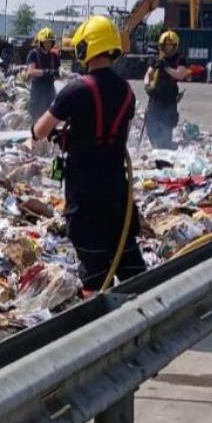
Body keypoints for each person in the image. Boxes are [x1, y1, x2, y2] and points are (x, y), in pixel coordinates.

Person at [32, 15, 145, 291]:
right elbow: (120, 136)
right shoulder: (127, 91)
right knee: (128, 260)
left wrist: (61, 135)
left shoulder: (77, 89)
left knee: (94, 272)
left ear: (86, 48)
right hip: (118, 190)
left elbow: (40, 130)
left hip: (85, 194)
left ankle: (99, 327)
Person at [142, 30, 190, 149]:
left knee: (166, 126)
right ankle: (155, 146)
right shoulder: (157, 59)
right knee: (151, 125)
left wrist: (166, 68)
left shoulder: (180, 59)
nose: (168, 49)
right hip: (155, 97)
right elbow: (148, 74)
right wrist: (147, 86)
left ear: (175, 46)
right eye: (165, 46)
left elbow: (180, 74)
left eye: (170, 46)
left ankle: (164, 147)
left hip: (169, 99)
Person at [25, 27, 60, 123]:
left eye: (50, 42)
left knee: (52, 119)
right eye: (46, 42)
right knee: (37, 120)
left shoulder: (54, 56)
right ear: (41, 42)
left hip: (50, 91)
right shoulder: (34, 54)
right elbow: (30, 72)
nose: (48, 45)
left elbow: (58, 73)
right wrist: (46, 72)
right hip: (38, 93)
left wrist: (60, 74)